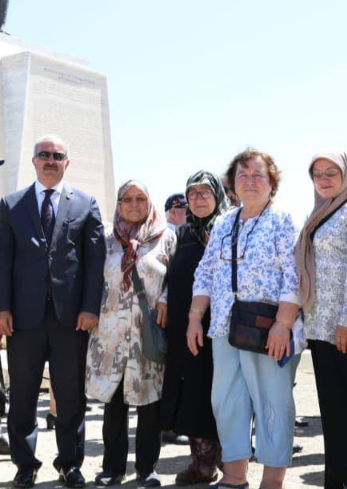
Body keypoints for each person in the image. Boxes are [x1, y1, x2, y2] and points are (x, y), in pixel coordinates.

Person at [0, 135, 106, 489]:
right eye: (44, 154)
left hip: (70, 319)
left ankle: (69, 464)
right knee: (22, 396)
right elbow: (2, 261)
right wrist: (1, 308)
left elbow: (95, 262)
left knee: (70, 397)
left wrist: (90, 307)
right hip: (23, 320)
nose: (51, 160)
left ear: (67, 163)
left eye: (58, 155)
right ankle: (25, 465)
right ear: (34, 160)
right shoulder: (11, 204)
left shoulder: (86, 204)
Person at [187, 149, 300, 489]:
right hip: (224, 327)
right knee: (227, 402)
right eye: (242, 175)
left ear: (272, 182)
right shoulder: (224, 222)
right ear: (233, 184)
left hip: (268, 329)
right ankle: (235, 477)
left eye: (258, 175)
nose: (250, 181)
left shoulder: (283, 220)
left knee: (272, 403)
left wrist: (283, 325)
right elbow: (205, 272)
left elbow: (295, 276)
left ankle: (272, 481)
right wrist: (195, 318)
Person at [294, 150, 347, 489]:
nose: (324, 179)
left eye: (332, 172)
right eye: (317, 174)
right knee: (333, 416)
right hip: (321, 327)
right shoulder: (322, 210)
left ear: (346, 174)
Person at [86, 181, 175, 488]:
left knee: (150, 403)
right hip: (110, 332)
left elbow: (175, 277)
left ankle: (147, 469)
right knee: (113, 405)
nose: (134, 204)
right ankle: (112, 468)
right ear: (119, 204)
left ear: (149, 203)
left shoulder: (166, 237)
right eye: (127, 199)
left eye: (140, 199)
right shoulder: (105, 239)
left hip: (146, 333)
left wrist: (165, 300)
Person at [160, 172, 225, 486]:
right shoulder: (182, 233)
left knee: (218, 392)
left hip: (219, 325)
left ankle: (225, 460)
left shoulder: (228, 227)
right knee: (192, 392)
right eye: (193, 193)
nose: (199, 199)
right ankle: (201, 462)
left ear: (217, 196)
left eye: (205, 192)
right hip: (183, 325)